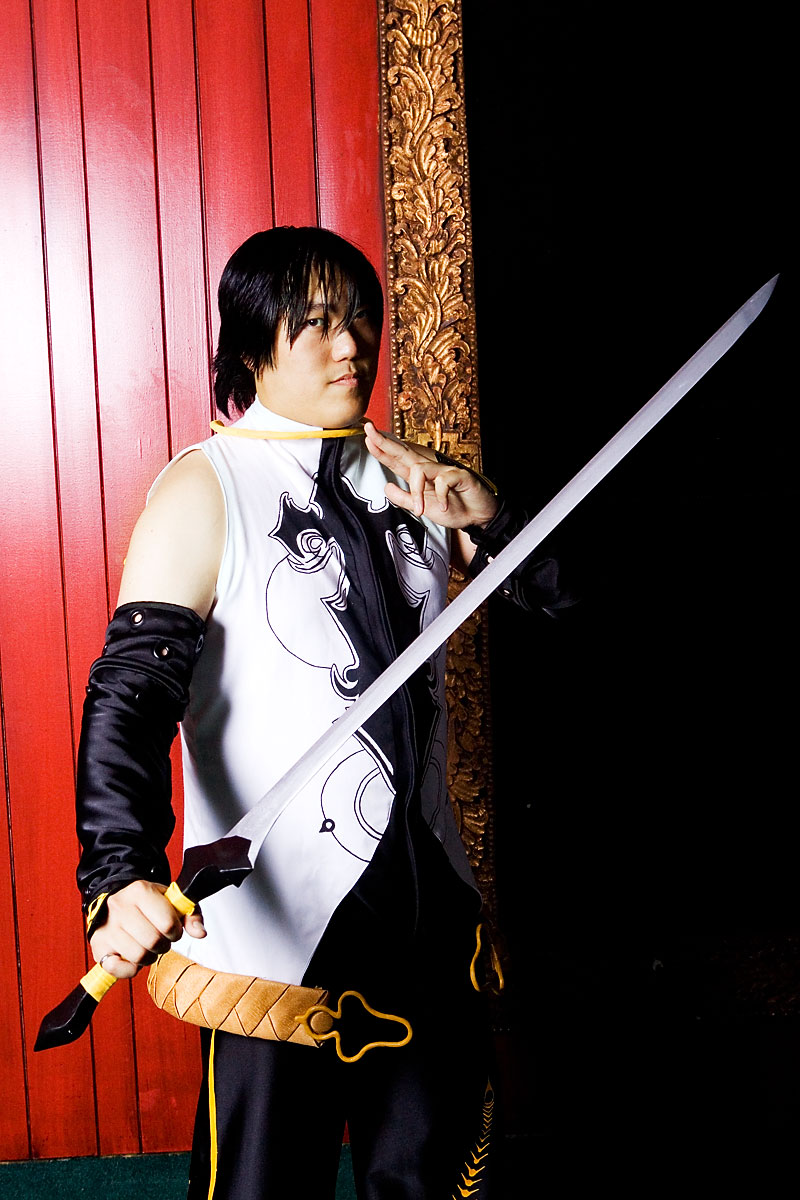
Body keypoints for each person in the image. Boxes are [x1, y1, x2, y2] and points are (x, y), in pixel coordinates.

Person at [74, 226, 574, 1198]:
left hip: (427, 930)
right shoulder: (203, 488)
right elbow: (131, 693)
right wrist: (117, 868)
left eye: (360, 319)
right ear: (252, 344)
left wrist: (490, 518)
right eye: (315, 324)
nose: (352, 346)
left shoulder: (416, 480)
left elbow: (566, 600)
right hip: (275, 940)